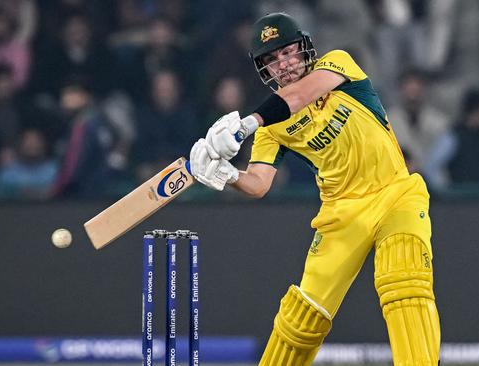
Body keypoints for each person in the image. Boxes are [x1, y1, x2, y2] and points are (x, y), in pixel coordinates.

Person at [189, 13, 441, 365]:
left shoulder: (337, 65)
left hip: (394, 193)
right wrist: (225, 174)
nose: (284, 64)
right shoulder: (272, 130)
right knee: (299, 322)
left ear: (305, 47)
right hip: (341, 215)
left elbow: (299, 95)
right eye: (272, 60)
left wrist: (246, 124)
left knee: (404, 282)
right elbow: (259, 183)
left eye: (288, 51)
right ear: (264, 70)